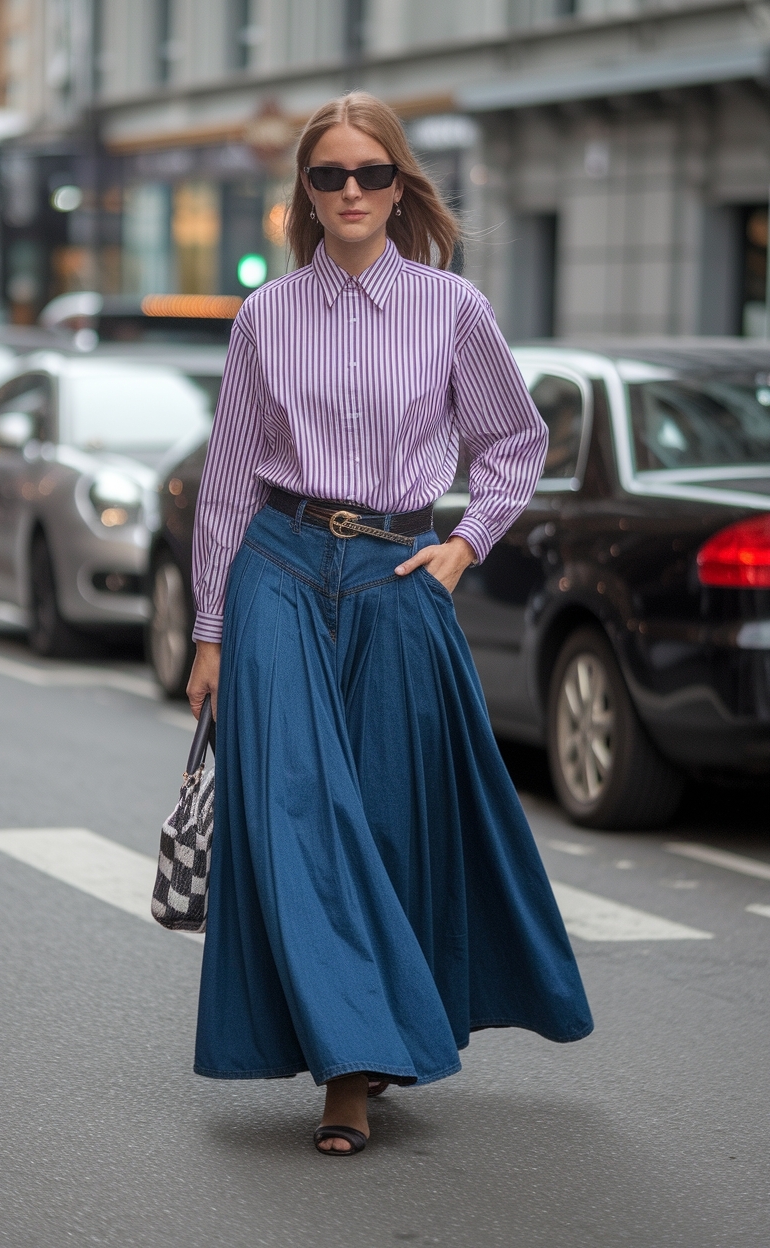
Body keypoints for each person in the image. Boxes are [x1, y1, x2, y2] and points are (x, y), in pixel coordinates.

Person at [186, 91, 593, 1158]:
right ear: (306, 195)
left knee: (383, 821)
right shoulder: (264, 316)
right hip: (277, 564)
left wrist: (465, 546)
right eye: (330, 176)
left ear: (400, 185)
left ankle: (376, 1031)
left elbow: (515, 441)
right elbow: (228, 484)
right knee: (295, 815)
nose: (352, 192)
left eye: (372, 173)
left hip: (396, 574)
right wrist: (210, 629)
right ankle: (346, 1075)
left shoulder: (453, 309)